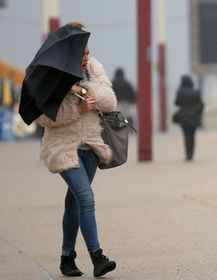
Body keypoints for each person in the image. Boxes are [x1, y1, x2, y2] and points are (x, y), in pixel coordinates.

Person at [35, 22, 117, 277]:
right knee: (86, 198)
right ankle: (97, 256)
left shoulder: (93, 68)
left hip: (91, 146)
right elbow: (44, 119)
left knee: (74, 203)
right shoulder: (51, 77)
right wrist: (76, 109)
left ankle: (66, 257)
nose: (86, 58)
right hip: (63, 148)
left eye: (87, 53)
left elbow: (110, 101)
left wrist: (87, 91)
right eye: (81, 54)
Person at [173, 75, 204, 161]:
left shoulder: (180, 92)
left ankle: (187, 155)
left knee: (186, 136)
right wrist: (197, 112)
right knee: (192, 136)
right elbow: (201, 104)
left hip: (183, 117)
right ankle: (191, 154)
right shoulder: (196, 92)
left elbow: (176, 103)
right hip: (194, 117)